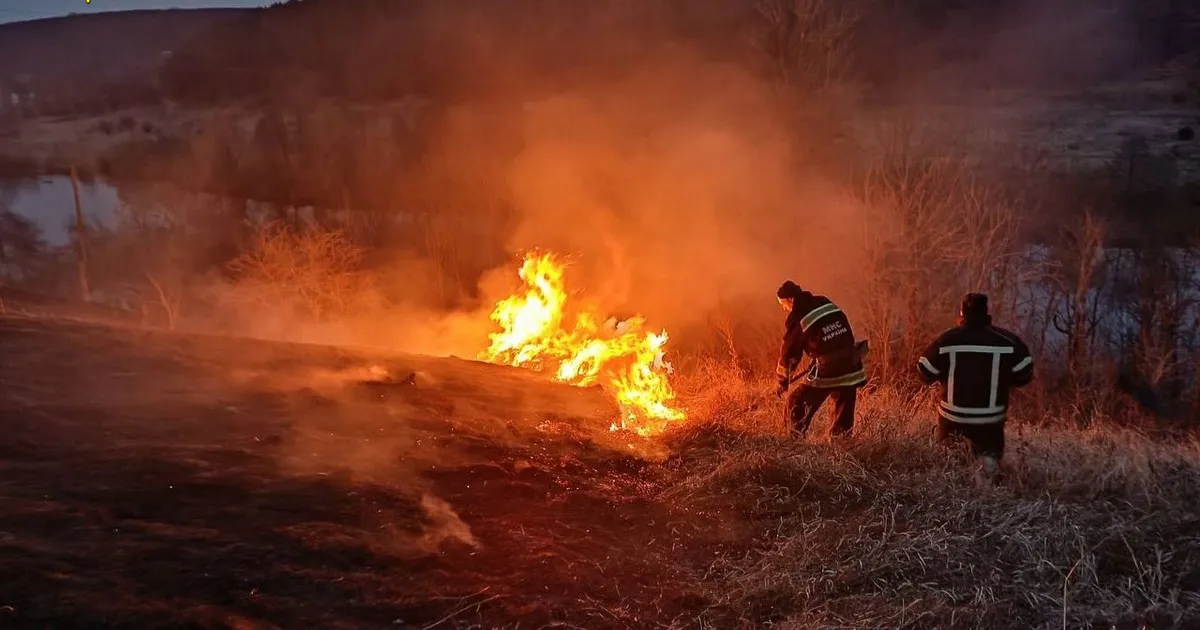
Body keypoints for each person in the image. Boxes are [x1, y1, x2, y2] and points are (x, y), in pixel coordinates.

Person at [917, 293, 1034, 478]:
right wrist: (1004, 380)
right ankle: (989, 487)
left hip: (952, 420)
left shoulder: (946, 341)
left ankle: (954, 490)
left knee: (950, 469)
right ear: (986, 312)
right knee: (989, 468)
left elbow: (924, 371)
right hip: (990, 422)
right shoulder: (1008, 342)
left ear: (962, 313)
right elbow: (1025, 374)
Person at [774, 280, 868, 440]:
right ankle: (841, 446)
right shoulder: (824, 302)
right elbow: (833, 335)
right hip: (852, 365)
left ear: (791, 300)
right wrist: (816, 359)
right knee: (843, 410)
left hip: (829, 369)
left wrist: (782, 380)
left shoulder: (799, 316)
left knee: (796, 401)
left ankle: (792, 443)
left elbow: (789, 352)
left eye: (783, 304)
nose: (784, 309)